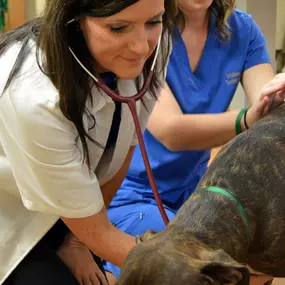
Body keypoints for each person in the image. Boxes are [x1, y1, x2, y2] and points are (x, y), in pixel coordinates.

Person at [103, 0, 285, 282]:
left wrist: (279, 91)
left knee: (251, 272)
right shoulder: (148, 30)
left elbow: (268, 102)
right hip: (136, 192)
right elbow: (172, 131)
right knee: (161, 273)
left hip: (198, 193)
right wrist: (247, 117)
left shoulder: (242, 29)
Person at [0, 0, 177, 284]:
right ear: (76, 21)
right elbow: (103, 234)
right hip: (12, 217)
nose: (142, 47)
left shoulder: (153, 50)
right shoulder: (33, 95)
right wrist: (190, 272)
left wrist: (79, 242)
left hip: (73, 200)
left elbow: (124, 146)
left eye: (154, 22)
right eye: (118, 28)